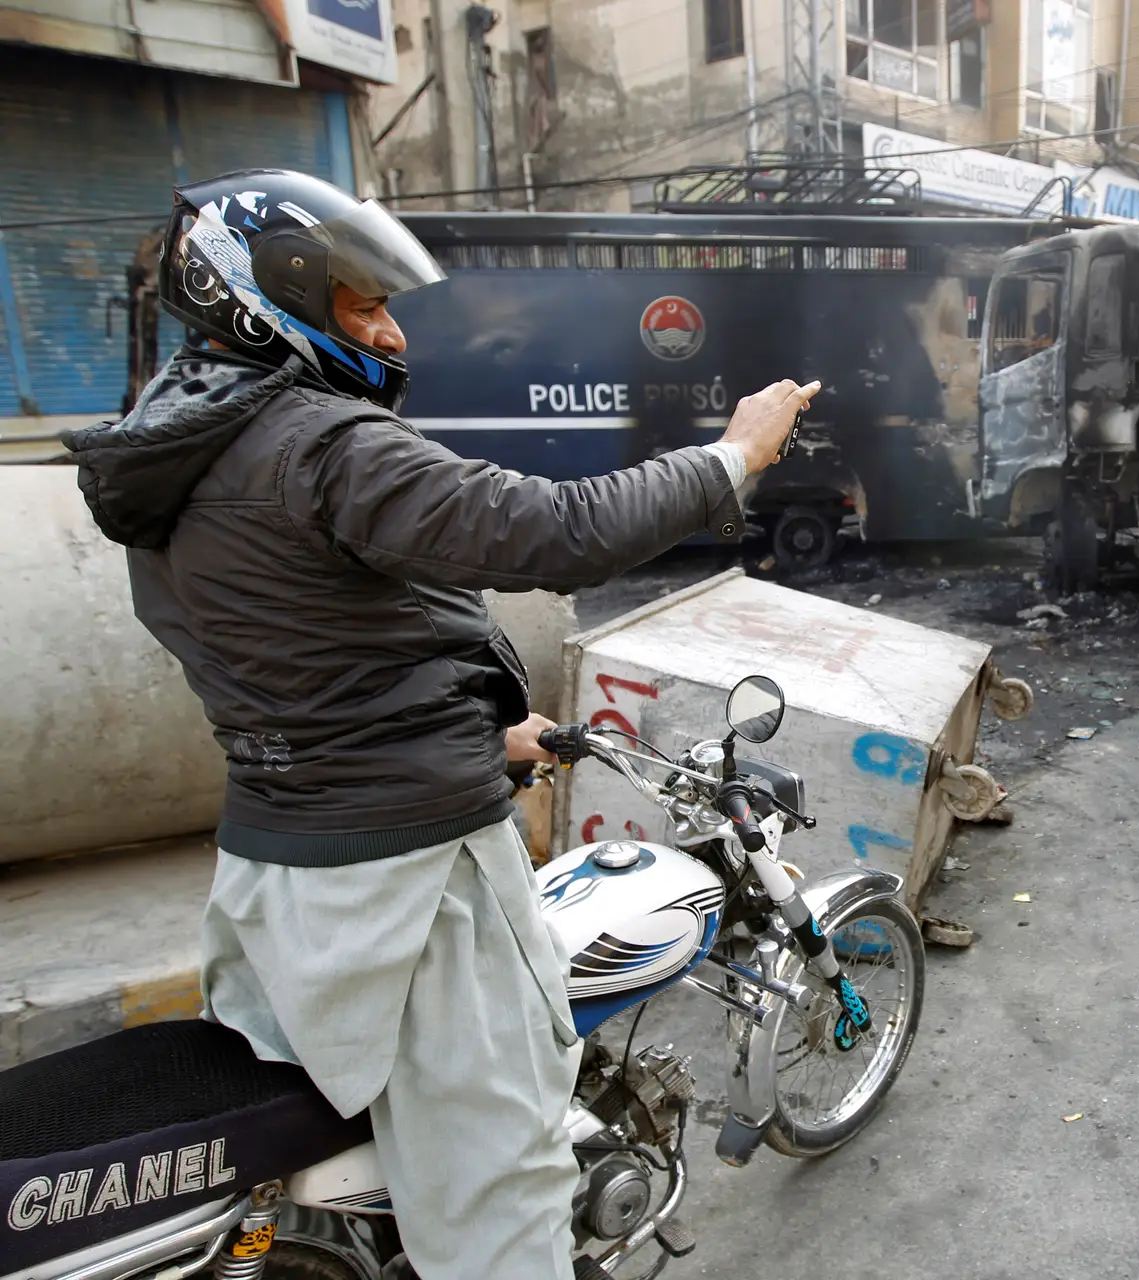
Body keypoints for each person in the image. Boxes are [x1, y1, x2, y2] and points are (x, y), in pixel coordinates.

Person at [60, 169, 818, 1280]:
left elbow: (303, 654)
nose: (389, 327)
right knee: (503, 1190)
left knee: (354, 1144)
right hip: (411, 888)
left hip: (276, 873)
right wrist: (734, 455)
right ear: (264, 300)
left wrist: (478, 729)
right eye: (359, 305)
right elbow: (553, 531)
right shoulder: (319, 443)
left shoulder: (175, 449)